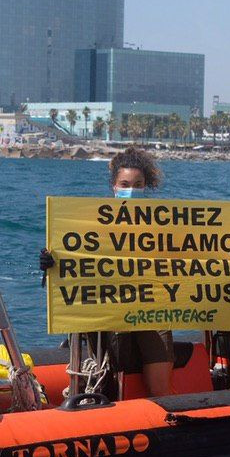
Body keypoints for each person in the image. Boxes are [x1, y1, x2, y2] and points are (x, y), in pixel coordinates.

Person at [40, 147, 174, 397]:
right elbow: (71, 274)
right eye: (125, 183)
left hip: (152, 309)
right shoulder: (90, 225)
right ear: (114, 185)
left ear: (147, 187)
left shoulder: (164, 224)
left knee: (159, 352)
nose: (131, 189)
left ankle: (163, 411)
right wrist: (52, 264)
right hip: (110, 309)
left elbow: (197, 261)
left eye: (138, 184)